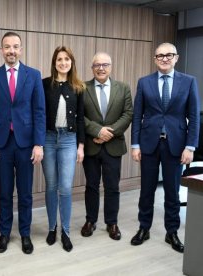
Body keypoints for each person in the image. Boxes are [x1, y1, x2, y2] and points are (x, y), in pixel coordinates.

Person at [131, 43, 200, 253]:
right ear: (155, 59)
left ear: (176, 58)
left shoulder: (189, 82)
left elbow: (194, 117)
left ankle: (172, 232)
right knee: (147, 190)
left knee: (171, 191)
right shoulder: (144, 82)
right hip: (149, 143)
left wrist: (190, 146)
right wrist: (135, 144)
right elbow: (137, 115)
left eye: (168, 55)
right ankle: (144, 227)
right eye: (160, 55)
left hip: (176, 145)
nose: (164, 58)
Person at [0, 31, 45, 254]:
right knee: (5, 192)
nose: (11, 50)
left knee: (26, 193)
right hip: (1, 145)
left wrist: (39, 144)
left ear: (21, 49)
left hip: (27, 144)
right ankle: (5, 233)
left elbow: (39, 112)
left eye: (15, 46)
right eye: (7, 47)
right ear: (1, 50)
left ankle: (25, 234)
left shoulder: (34, 75)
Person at [82, 52, 133, 241]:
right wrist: (97, 131)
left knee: (112, 186)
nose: (101, 68)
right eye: (97, 65)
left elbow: (128, 114)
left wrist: (107, 133)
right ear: (92, 68)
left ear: (111, 67)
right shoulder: (82, 88)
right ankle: (90, 221)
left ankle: (112, 222)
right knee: (91, 186)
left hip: (113, 146)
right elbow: (80, 116)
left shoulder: (123, 88)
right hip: (91, 146)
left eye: (105, 64)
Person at [42, 46, 85, 252]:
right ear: (54, 62)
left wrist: (81, 146)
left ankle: (66, 231)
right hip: (48, 139)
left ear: (71, 62)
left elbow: (83, 120)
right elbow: (39, 115)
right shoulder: (44, 85)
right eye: (59, 59)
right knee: (51, 186)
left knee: (65, 188)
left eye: (66, 59)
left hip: (69, 140)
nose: (63, 62)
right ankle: (52, 228)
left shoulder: (78, 87)